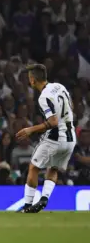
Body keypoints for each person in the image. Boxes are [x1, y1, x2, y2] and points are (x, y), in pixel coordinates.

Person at [16, 64, 75, 213]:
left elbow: (53, 122)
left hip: (56, 137)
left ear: (32, 80)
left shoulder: (43, 96)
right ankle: (44, 199)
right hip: (70, 137)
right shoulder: (59, 87)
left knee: (33, 167)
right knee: (53, 168)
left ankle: (27, 206)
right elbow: (71, 106)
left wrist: (31, 129)